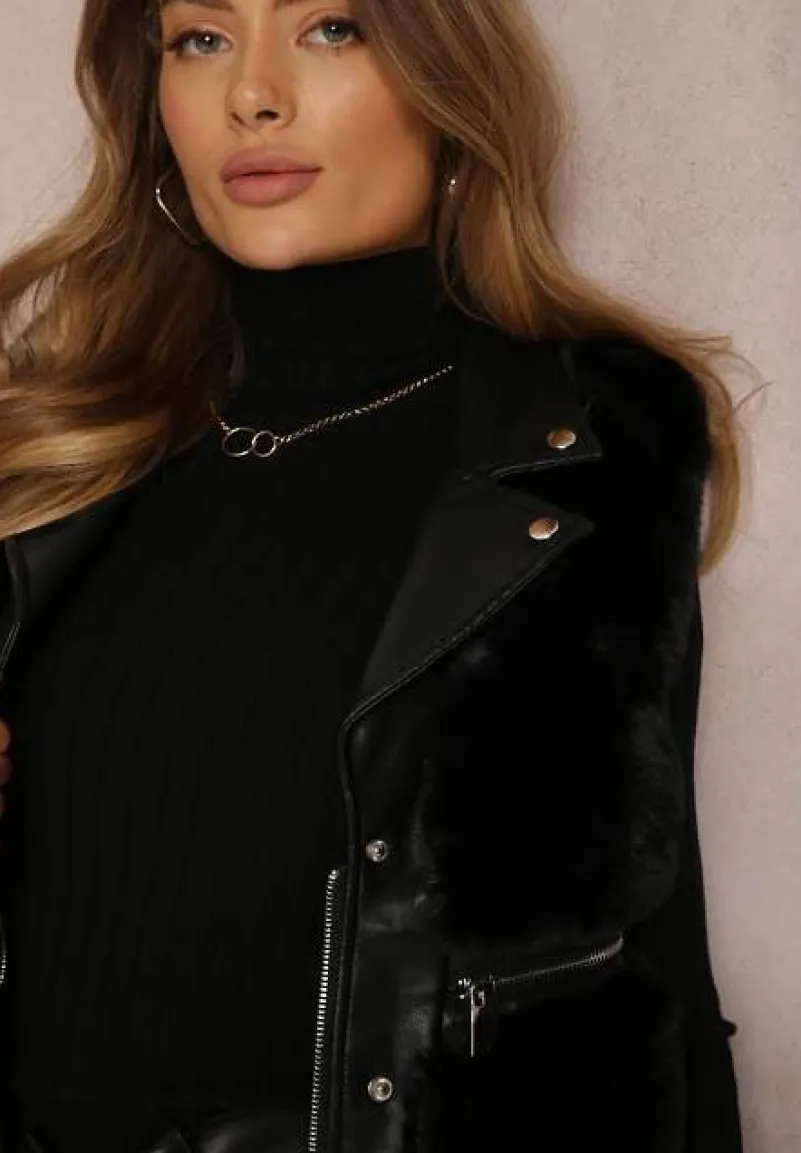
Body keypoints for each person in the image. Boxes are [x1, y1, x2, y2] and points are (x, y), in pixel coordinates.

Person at [0, 0, 756, 1150]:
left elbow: (656, 954)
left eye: (331, 28)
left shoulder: (591, 440)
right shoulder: (55, 440)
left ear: (445, 81)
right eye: (201, 38)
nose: (253, 95)